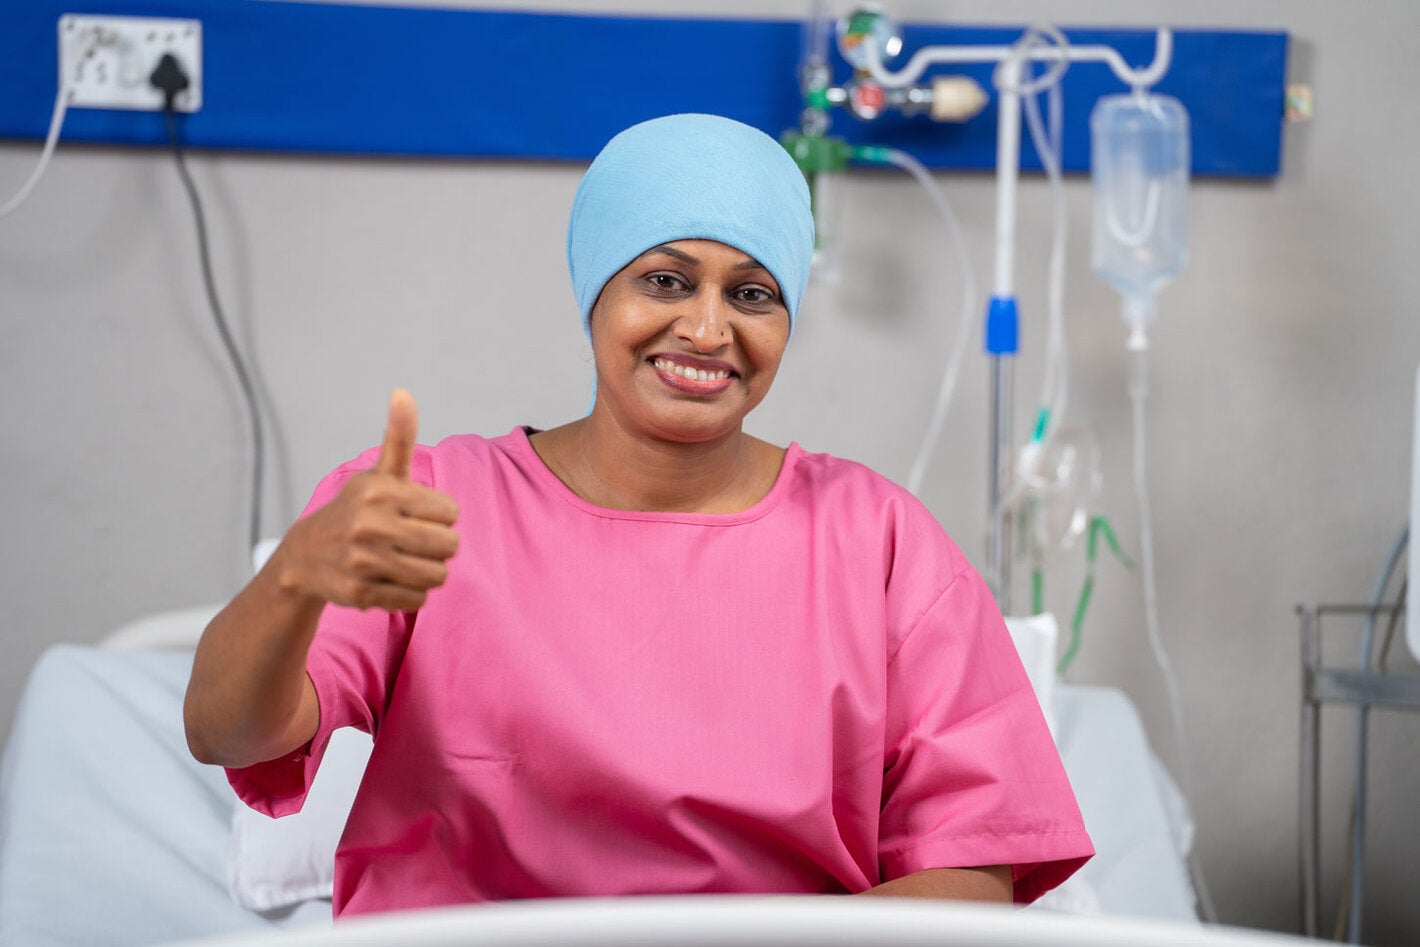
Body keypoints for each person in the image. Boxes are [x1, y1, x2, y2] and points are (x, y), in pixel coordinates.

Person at [184, 113, 1092, 918]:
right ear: (597, 290)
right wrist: (295, 577)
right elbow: (228, 731)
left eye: (752, 293)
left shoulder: (877, 541)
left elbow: (977, 870)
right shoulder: (426, 507)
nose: (706, 330)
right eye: (665, 280)